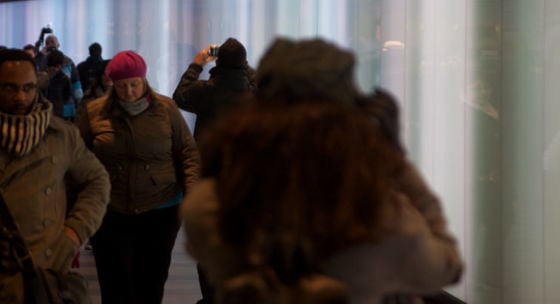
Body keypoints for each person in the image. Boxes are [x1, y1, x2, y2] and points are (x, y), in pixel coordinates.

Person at [181, 37, 464, 304]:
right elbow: (446, 267)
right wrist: (393, 159)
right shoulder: (379, 217)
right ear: (346, 112)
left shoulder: (212, 208)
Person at [0, 49, 110, 303]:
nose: (20, 97)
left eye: (28, 88)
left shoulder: (61, 135)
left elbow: (97, 181)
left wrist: (74, 232)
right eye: (9, 88)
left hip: (49, 273)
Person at [76, 50, 201, 304]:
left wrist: (192, 195)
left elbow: (187, 152)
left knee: (151, 283)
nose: (129, 91)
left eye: (134, 84)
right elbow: (78, 158)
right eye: (122, 86)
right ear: (112, 84)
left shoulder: (166, 108)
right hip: (110, 210)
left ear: (144, 80)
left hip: (161, 210)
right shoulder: (95, 111)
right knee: (113, 284)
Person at [172, 37, 254, 304]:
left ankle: (211, 298)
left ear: (217, 60)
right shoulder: (256, 95)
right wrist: (246, 67)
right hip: (246, 183)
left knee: (209, 247)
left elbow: (179, 95)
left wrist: (197, 64)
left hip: (210, 180)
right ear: (243, 62)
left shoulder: (205, 91)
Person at [42, 35, 83, 117]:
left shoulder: (68, 62)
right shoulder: (43, 61)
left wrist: (79, 105)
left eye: (52, 42)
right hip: (48, 109)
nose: (50, 45)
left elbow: (76, 84)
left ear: (58, 45)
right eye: (47, 43)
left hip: (66, 108)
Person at [38, 50, 73, 120]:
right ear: (60, 66)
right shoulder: (64, 78)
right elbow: (68, 96)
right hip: (59, 113)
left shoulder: (39, 76)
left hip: (42, 113)